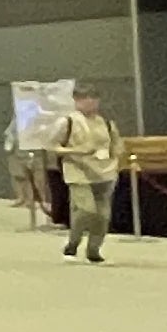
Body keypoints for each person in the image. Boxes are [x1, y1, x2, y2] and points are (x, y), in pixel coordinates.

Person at [50, 86, 122, 262]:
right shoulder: (68, 122)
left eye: (94, 97)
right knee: (85, 209)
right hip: (78, 171)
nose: (90, 101)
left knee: (102, 215)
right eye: (85, 98)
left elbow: (116, 145)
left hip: (104, 172)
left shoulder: (105, 122)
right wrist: (76, 151)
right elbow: (53, 146)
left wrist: (115, 159)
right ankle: (73, 243)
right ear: (76, 101)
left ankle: (94, 249)